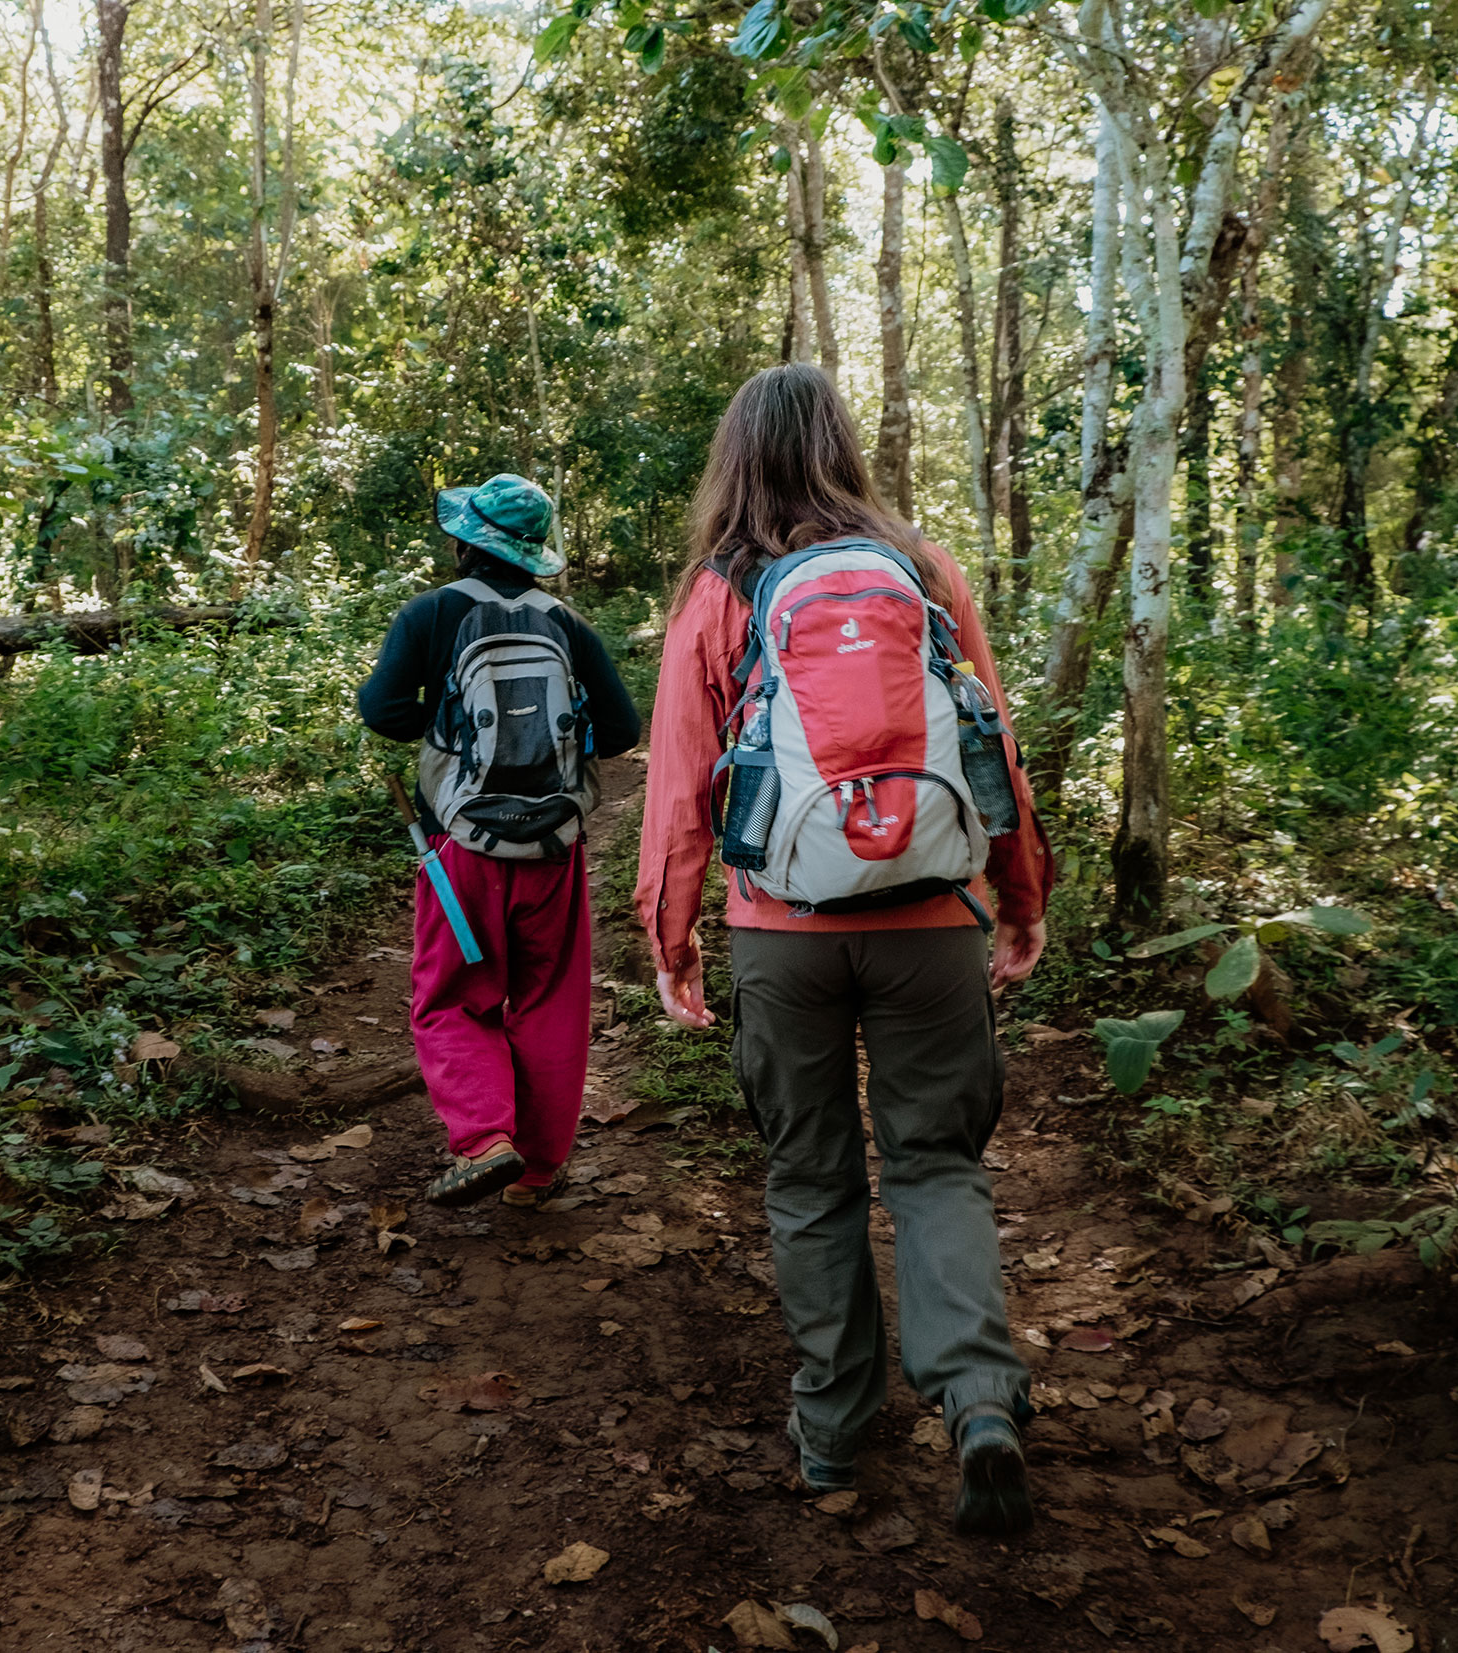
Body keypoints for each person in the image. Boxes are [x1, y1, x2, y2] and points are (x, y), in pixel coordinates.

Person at [633, 364, 1052, 1538]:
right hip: (929, 925)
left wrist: (671, 938)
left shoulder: (721, 589)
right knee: (935, 1165)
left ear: (733, 458)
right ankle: (976, 1403)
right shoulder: (917, 570)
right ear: (841, 444)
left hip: (783, 934)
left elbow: (676, 786)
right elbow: (989, 750)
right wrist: (1017, 893)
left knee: (809, 1181)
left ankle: (830, 1434)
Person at [358, 474, 642, 1209]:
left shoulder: (431, 615)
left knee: (453, 997)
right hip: (554, 850)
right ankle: (539, 1170)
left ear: (466, 544)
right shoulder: (568, 624)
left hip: (462, 853)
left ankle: (486, 1138)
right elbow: (621, 734)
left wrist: (442, 710)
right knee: (548, 999)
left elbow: (383, 711)